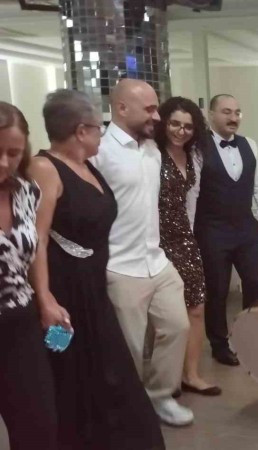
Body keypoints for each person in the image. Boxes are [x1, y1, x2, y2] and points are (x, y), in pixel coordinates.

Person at [29, 89, 165, 449]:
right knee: (65, 369)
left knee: (112, 374)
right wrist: (45, 299)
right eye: (98, 128)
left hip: (94, 291)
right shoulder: (44, 168)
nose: (102, 134)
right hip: (63, 297)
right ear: (80, 131)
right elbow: (37, 239)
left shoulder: (87, 166)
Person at [90, 79, 193, 427]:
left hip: (157, 261)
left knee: (177, 326)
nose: (157, 116)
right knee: (129, 347)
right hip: (121, 266)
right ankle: (127, 408)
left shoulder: (152, 149)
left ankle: (160, 396)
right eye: (149, 109)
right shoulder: (100, 152)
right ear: (121, 108)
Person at [188, 94, 258, 366]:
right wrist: (189, 230)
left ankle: (252, 337)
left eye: (237, 112)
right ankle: (219, 344)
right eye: (226, 112)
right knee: (217, 291)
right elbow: (193, 192)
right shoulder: (198, 147)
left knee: (255, 284)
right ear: (211, 114)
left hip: (246, 227)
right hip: (212, 230)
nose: (233, 117)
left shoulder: (250, 144)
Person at [0, 101, 58, 450]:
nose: (3, 162)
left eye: (13, 153)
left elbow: (34, 249)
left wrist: (45, 298)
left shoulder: (26, 190)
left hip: (19, 324)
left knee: (39, 428)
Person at [155, 96, 220, 395]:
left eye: (188, 126)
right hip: (154, 240)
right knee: (166, 316)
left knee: (196, 308)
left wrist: (191, 236)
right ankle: (163, 380)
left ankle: (190, 375)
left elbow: (190, 202)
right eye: (175, 124)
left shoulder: (193, 156)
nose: (181, 131)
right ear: (163, 123)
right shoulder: (151, 154)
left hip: (184, 238)